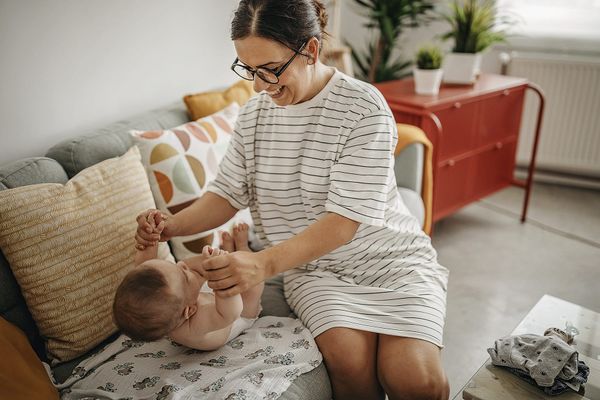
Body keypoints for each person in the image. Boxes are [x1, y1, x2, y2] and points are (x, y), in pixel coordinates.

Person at [135, 0, 449, 398]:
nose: (259, 85)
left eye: (271, 69)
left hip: (388, 260)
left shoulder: (363, 108)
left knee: (416, 381)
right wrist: (171, 226)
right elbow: (226, 194)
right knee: (348, 362)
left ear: (311, 51)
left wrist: (262, 263)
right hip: (314, 270)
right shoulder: (253, 116)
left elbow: (343, 223)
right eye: (248, 69)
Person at [115, 215, 262, 350]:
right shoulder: (194, 327)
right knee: (254, 285)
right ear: (189, 311)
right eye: (185, 275)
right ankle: (242, 247)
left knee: (188, 268)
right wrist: (220, 275)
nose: (182, 265)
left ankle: (227, 254)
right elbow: (231, 313)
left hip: (205, 296)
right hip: (236, 312)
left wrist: (150, 235)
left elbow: (146, 263)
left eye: (175, 266)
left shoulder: (172, 303)